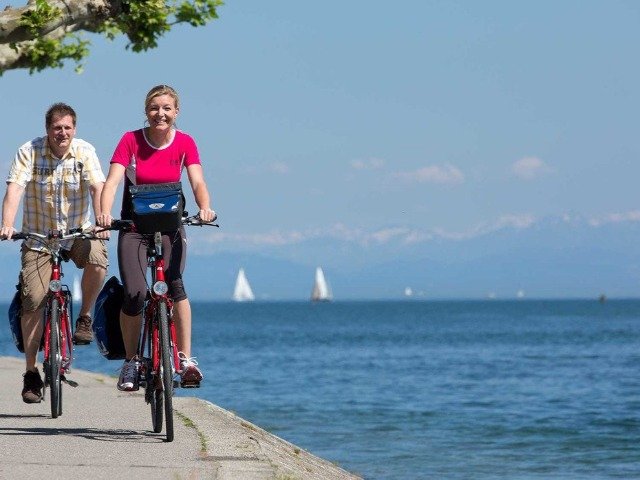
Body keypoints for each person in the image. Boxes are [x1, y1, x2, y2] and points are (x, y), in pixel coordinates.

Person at [96, 84, 216, 391]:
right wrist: (103, 214)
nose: (159, 114)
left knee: (175, 285)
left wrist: (205, 208)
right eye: (153, 108)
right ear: (146, 111)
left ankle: (186, 360)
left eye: (166, 108)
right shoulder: (130, 140)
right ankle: (132, 361)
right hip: (134, 229)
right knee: (135, 293)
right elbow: (111, 182)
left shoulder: (185, 142)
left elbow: (197, 180)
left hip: (170, 228)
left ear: (176, 112)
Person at [1, 103, 108, 403]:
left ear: (75, 129)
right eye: (56, 128)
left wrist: (101, 220)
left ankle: (84, 317)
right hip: (38, 238)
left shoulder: (85, 151)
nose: (62, 133)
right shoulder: (29, 151)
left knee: (99, 258)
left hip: (76, 233)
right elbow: (14, 189)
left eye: (68, 128)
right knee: (33, 300)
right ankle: (31, 372)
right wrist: (7, 224)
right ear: (47, 129)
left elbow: (98, 187)